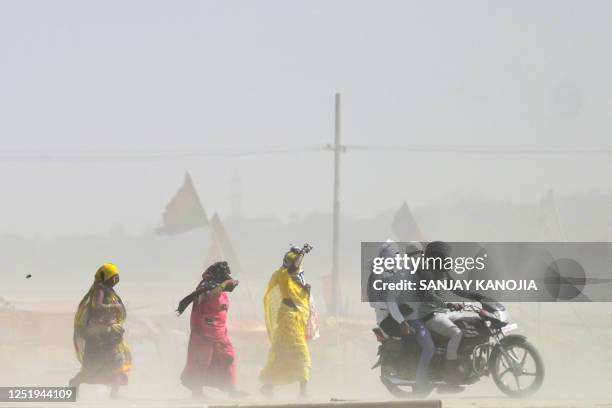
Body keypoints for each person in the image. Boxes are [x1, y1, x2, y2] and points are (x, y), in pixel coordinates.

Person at [178, 261, 247, 399]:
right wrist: (223, 285)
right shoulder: (205, 287)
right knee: (201, 362)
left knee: (228, 358)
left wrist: (228, 284)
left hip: (220, 333)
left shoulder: (222, 291)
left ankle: (231, 390)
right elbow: (211, 295)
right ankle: (196, 392)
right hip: (203, 334)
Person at [260, 244, 313, 399]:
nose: (298, 264)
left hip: (297, 318)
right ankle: (302, 393)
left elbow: (299, 292)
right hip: (290, 319)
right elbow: (292, 268)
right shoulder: (285, 274)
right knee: (301, 354)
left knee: (283, 354)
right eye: (296, 261)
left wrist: (306, 291)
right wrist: (302, 252)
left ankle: (268, 386)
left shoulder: (297, 278)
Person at [70, 263, 131, 398]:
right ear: (106, 277)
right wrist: (114, 306)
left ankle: (114, 393)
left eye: (117, 277)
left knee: (117, 362)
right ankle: (74, 384)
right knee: (93, 365)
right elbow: (97, 307)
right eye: (114, 277)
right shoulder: (99, 290)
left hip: (111, 334)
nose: (116, 280)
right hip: (98, 335)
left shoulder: (109, 290)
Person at [418, 241, 465, 381]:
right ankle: (450, 368)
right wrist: (449, 304)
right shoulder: (426, 274)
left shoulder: (443, 272)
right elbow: (430, 296)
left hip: (442, 312)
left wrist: (476, 296)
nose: (447, 258)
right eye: (444, 256)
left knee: (467, 320)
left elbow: (457, 288)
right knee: (456, 333)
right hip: (430, 315)